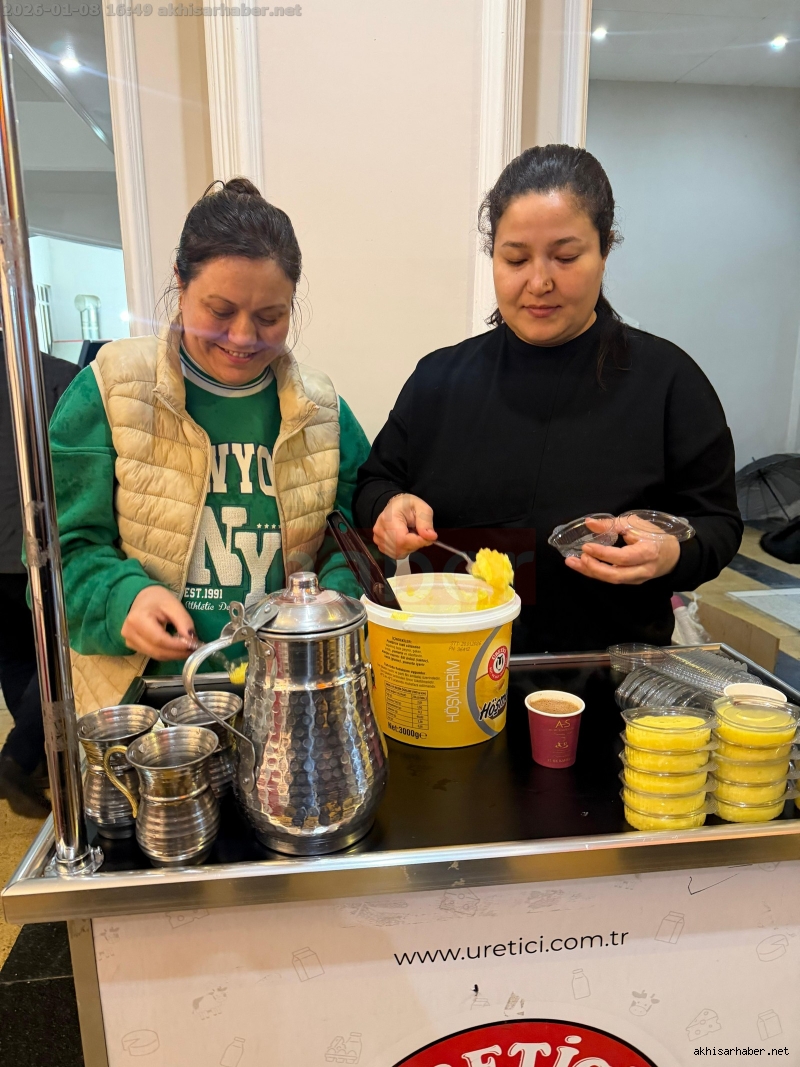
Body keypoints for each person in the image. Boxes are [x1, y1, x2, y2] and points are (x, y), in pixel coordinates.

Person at [353, 145, 742, 652]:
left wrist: (670, 555)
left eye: (566, 257)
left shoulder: (668, 382)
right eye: (515, 259)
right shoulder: (438, 380)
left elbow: (718, 524)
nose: (539, 282)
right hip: (450, 670)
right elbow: (374, 484)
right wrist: (388, 508)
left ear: (604, 251)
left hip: (608, 673)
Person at [50, 178, 370, 715]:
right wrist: (120, 599)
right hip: (144, 701)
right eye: (219, 311)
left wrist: (326, 608)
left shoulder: (325, 411)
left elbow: (355, 543)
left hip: (283, 699)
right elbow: (58, 552)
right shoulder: (110, 389)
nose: (242, 337)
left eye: (270, 317)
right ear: (180, 282)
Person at [0, 335, 78, 817]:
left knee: (13, 655)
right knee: (57, 656)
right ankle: (22, 754)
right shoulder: (58, 377)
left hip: (13, 548)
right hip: (34, 546)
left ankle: (37, 757)